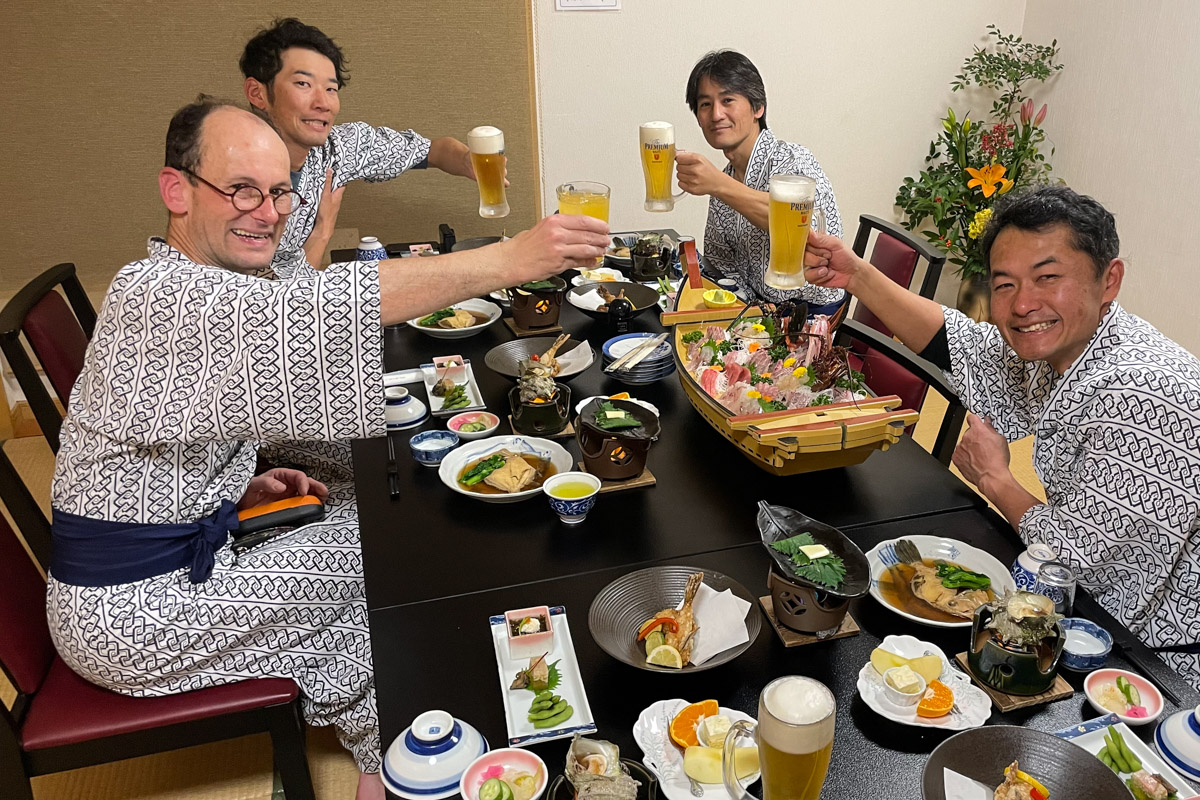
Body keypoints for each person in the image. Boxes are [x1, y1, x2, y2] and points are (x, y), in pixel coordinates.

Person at [45, 98, 607, 800]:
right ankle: (420, 750)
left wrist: (232, 490)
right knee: (392, 547)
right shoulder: (154, 294)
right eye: (242, 190)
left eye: (280, 191)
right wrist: (512, 257)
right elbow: (326, 304)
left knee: (372, 516)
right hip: (133, 611)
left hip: (177, 557)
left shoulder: (202, 284)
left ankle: (385, 758)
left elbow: (162, 440)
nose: (269, 212)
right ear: (175, 189)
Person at [803, 185, 1200, 687]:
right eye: (1005, 284)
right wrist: (857, 275)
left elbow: (1072, 558)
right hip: (1098, 615)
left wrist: (994, 477)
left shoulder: (1144, 391)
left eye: (1048, 277)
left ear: (1109, 280)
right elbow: (960, 343)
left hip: (1155, 663)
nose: (1023, 304)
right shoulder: (1076, 343)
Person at [240, 18, 481, 275]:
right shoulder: (227, 173)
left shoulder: (337, 149)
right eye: (303, 84)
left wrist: (466, 158)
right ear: (257, 93)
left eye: (331, 88)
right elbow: (275, 304)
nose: (324, 103)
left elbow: (432, 151)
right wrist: (322, 233)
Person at [677, 49, 843, 309]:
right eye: (705, 104)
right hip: (755, 312)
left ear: (758, 108)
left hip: (810, 314)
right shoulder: (726, 177)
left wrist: (719, 186)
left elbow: (806, 233)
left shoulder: (792, 160)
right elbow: (721, 265)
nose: (716, 114)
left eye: (728, 100)